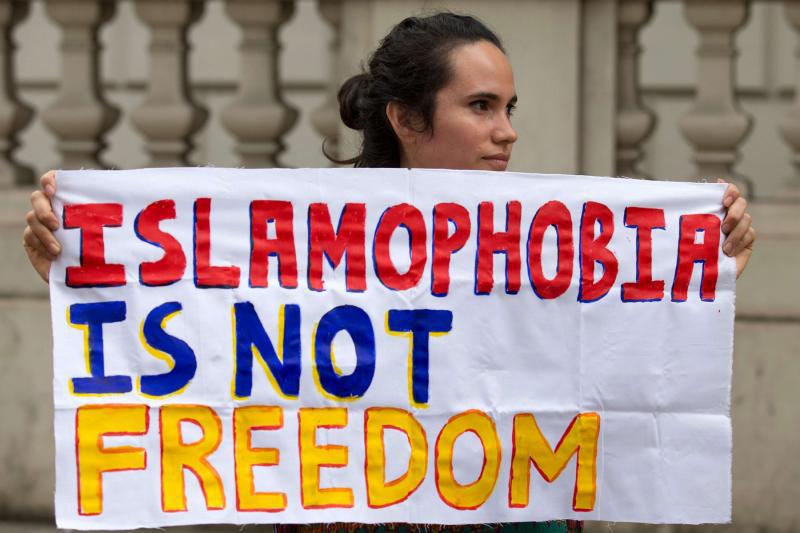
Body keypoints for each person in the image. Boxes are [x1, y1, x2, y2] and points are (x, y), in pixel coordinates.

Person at [21, 11, 755, 533]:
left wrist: (703, 279)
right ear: (405, 118)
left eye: (508, 106)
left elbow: (616, 364)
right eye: (480, 106)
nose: (507, 130)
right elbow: (206, 332)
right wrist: (78, 262)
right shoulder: (302, 242)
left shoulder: (548, 248)